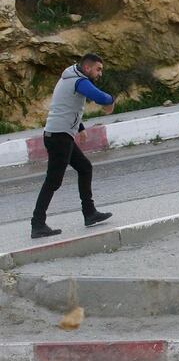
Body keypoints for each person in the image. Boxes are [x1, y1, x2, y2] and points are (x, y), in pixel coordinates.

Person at [31, 53, 115, 239]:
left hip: (60, 135)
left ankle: (90, 213)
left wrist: (80, 127)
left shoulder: (72, 77)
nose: (100, 73)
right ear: (87, 68)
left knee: (85, 168)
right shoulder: (79, 81)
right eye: (98, 69)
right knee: (53, 180)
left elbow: (67, 106)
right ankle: (37, 224)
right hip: (59, 137)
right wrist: (110, 101)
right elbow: (99, 97)